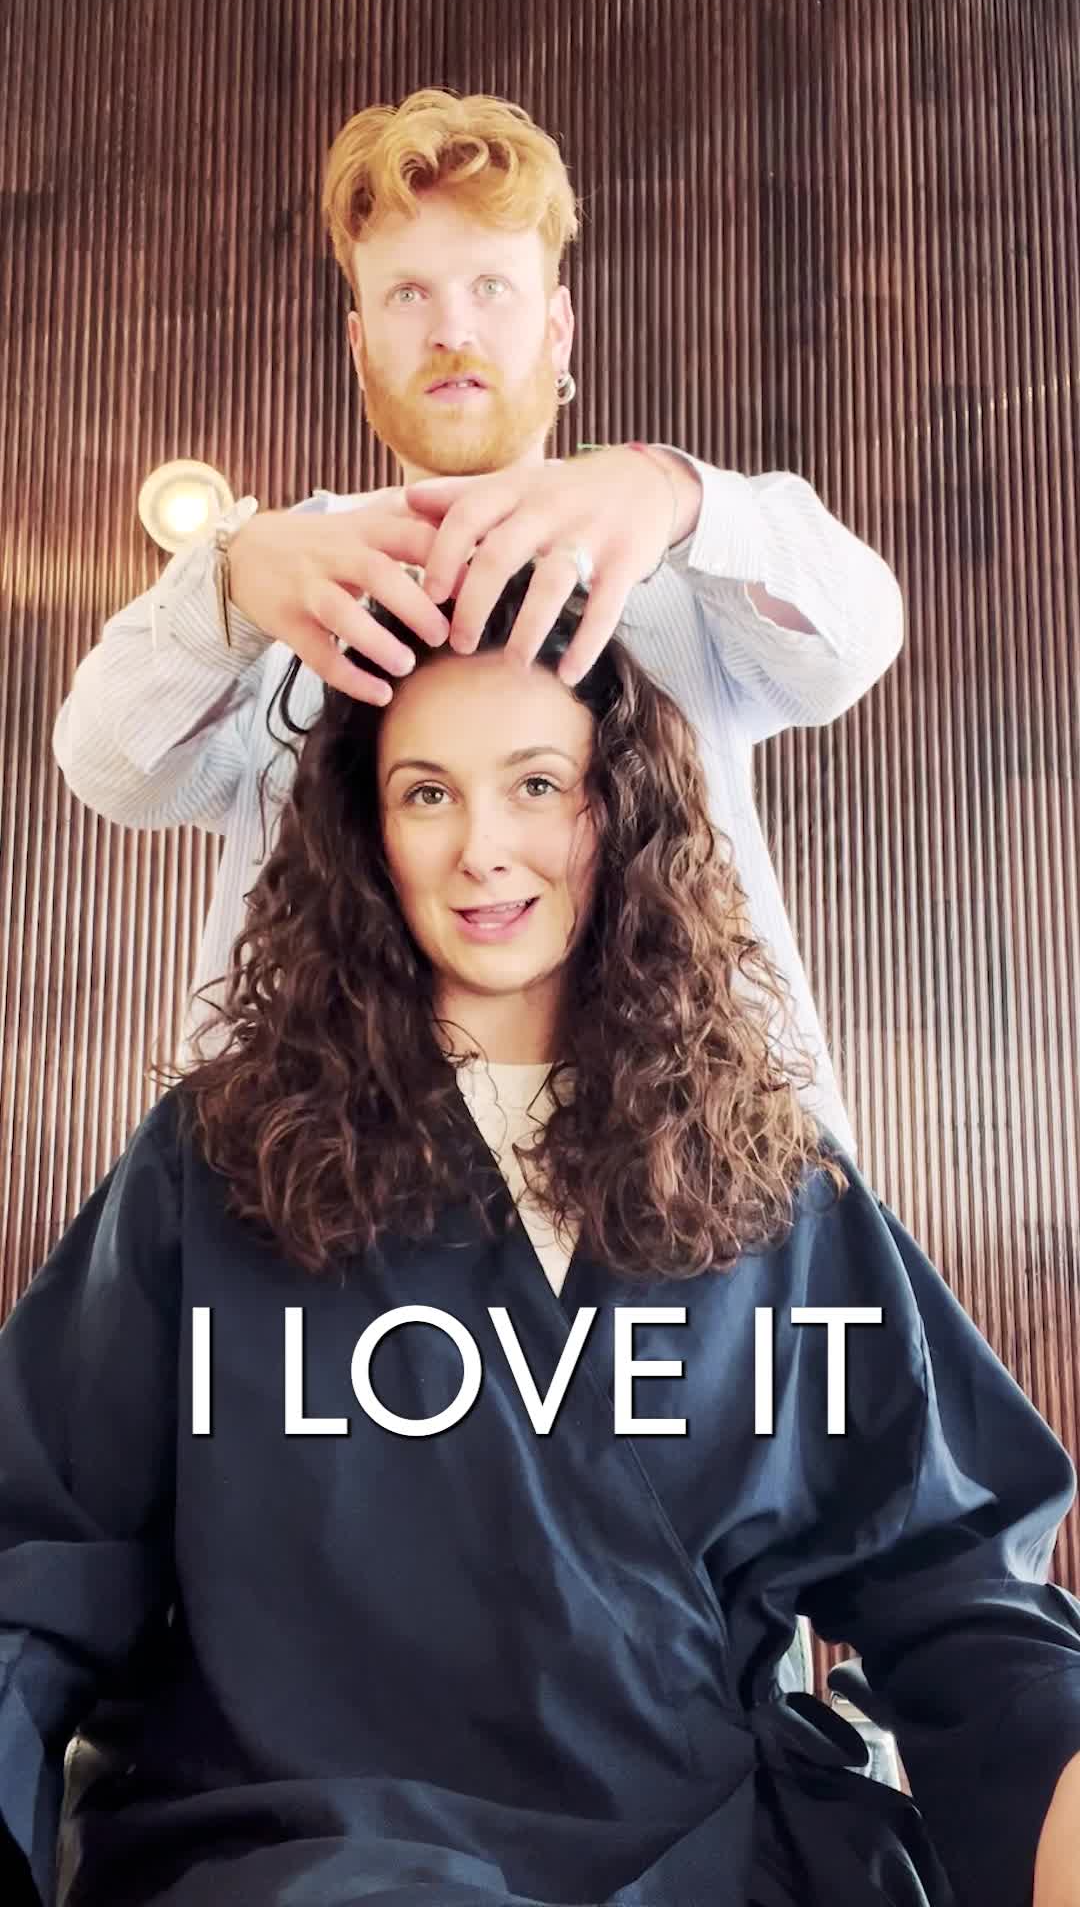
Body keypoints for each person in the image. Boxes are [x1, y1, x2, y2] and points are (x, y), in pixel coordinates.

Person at [5, 569, 1080, 1907]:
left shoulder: (766, 1174)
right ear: (364, 832)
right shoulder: (217, 1159)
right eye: (427, 793)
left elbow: (959, 1587)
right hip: (306, 1847)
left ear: (617, 809)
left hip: (702, 1855)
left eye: (536, 785)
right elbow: (30, 1565)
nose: (483, 850)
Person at [51, 87, 909, 1155]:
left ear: (559, 327)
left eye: (491, 288)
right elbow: (110, 770)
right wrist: (222, 582)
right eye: (408, 294)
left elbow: (855, 642)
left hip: (686, 1168)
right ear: (360, 343)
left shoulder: (678, 546)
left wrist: (683, 496)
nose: (452, 329)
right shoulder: (283, 578)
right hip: (327, 1179)